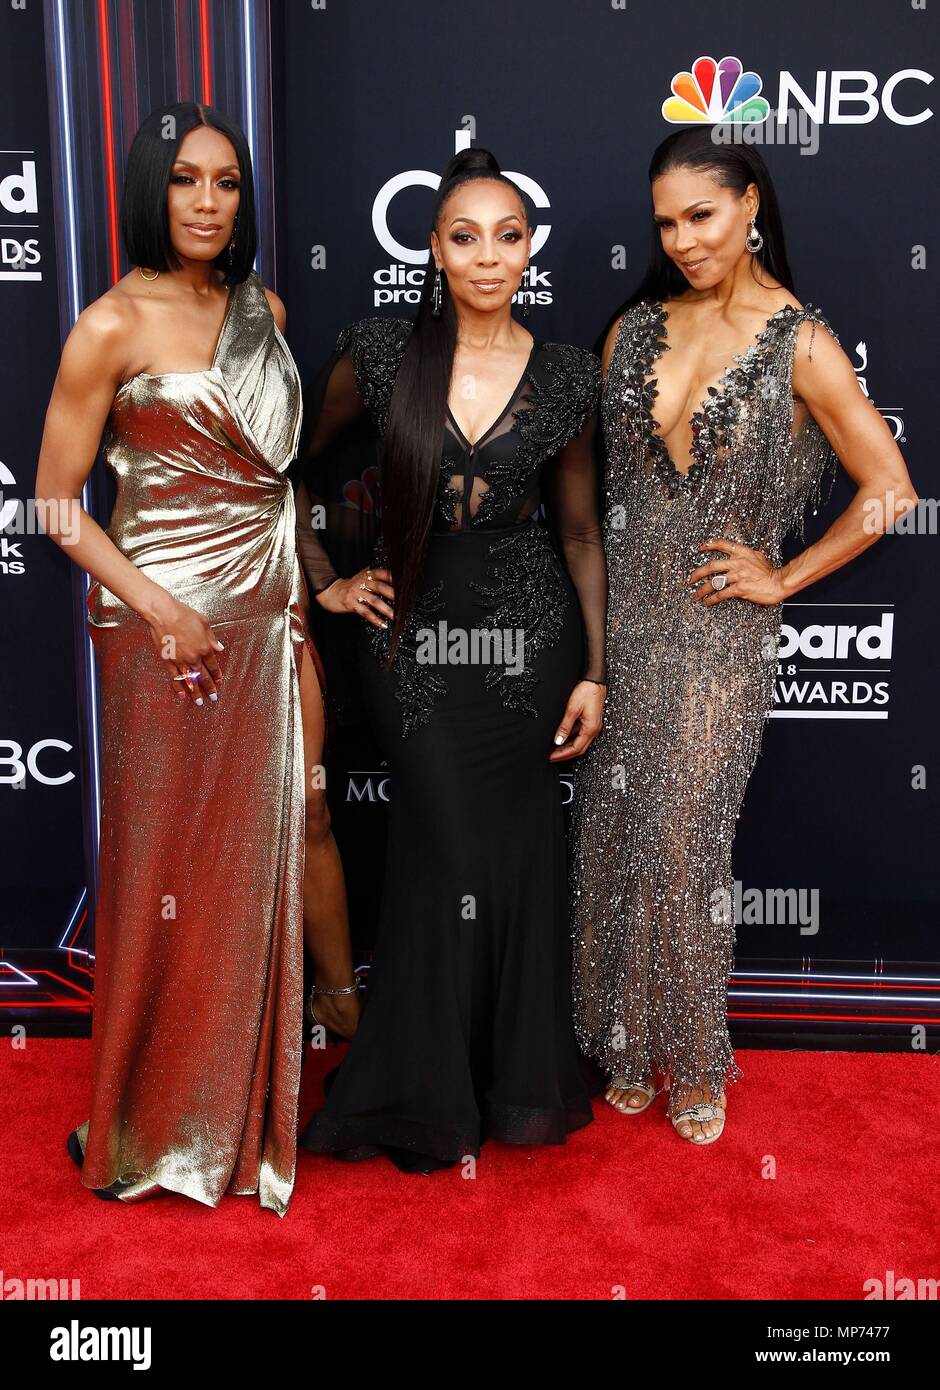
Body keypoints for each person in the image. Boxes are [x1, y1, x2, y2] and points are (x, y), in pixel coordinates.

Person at [34, 102, 357, 1215]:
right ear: (151, 191)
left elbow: (277, 480)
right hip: (157, 633)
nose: (208, 201)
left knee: (261, 851)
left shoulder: (265, 309)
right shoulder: (109, 323)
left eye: (224, 181)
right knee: (162, 865)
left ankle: (234, 1113)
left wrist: (305, 589)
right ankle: (144, 1119)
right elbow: (56, 507)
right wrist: (161, 608)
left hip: (268, 620)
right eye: (185, 180)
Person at [568, 127, 918, 1144]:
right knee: (611, 841)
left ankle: (695, 1055)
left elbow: (888, 490)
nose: (682, 239)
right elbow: (590, 497)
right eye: (666, 222)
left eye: (701, 215)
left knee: (684, 843)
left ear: (750, 203)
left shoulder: (800, 339)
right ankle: (623, 1042)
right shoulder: (631, 330)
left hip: (719, 637)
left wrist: (783, 577)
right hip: (623, 629)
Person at [295, 147, 608, 1173]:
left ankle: (513, 1080)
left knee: (515, 855)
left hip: (527, 631)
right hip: (411, 635)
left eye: (507, 237)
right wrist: (322, 578)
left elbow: (576, 534)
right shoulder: (381, 353)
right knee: (444, 849)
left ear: (531, 247)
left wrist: (595, 667)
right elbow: (281, 470)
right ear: (432, 247)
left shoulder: (566, 373)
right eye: (464, 236)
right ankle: (422, 1088)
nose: (486, 257)